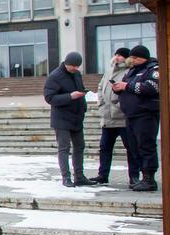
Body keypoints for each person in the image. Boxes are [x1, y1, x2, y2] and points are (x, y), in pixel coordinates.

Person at [88, 47, 138, 187]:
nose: (117, 57)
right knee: (104, 148)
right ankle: (103, 175)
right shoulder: (109, 70)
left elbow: (130, 90)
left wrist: (120, 104)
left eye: (121, 55)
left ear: (127, 58)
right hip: (108, 118)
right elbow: (100, 87)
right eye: (116, 54)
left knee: (131, 148)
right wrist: (101, 103)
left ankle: (134, 177)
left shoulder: (129, 71)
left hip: (122, 117)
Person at [116, 44, 160, 192]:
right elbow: (127, 88)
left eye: (136, 57)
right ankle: (142, 177)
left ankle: (149, 179)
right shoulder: (132, 71)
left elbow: (152, 87)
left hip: (145, 114)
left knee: (146, 146)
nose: (132, 60)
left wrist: (127, 86)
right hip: (131, 115)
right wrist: (118, 88)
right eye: (131, 57)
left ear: (144, 57)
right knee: (135, 148)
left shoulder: (153, 69)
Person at [44, 52, 90, 188]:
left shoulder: (76, 74)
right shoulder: (55, 76)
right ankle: (66, 177)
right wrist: (70, 96)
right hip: (61, 118)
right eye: (73, 66)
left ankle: (79, 176)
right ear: (66, 63)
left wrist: (83, 102)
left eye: (77, 66)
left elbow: (79, 89)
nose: (75, 68)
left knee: (79, 146)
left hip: (76, 117)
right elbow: (49, 98)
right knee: (64, 148)